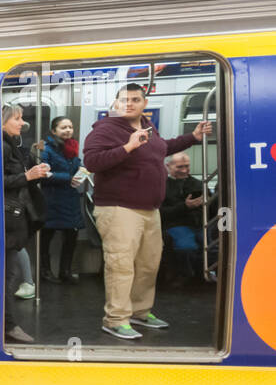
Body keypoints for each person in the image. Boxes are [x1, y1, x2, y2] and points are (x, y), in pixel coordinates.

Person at [84, 84, 212, 339]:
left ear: (144, 104)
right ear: (116, 104)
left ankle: (139, 312)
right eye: (124, 100)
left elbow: (163, 148)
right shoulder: (106, 129)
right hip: (119, 208)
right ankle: (115, 319)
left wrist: (192, 137)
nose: (129, 104)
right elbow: (92, 161)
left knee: (148, 265)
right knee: (121, 266)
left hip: (149, 209)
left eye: (135, 99)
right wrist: (127, 147)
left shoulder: (147, 128)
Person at [2, 105, 49, 343]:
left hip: (14, 219)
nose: (22, 123)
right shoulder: (0, 146)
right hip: (7, 220)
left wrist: (34, 170)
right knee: (7, 277)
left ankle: (6, 324)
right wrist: (27, 176)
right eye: (16, 119)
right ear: (2, 122)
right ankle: (6, 326)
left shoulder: (13, 145)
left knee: (9, 275)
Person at [39, 116, 84, 285]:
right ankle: (45, 271)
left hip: (70, 199)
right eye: (63, 127)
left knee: (71, 237)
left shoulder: (72, 147)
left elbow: (75, 166)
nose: (68, 130)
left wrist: (81, 171)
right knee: (46, 237)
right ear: (54, 131)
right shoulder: (46, 149)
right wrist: (68, 178)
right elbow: (42, 173)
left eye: (70, 127)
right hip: (52, 199)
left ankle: (65, 271)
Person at [160, 152, 208, 284]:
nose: (184, 170)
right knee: (187, 247)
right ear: (168, 166)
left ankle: (204, 276)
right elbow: (160, 212)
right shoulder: (162, 186)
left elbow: (210, 207)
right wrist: (185, 206)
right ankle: (186, 276)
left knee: (211, 245)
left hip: (198, 223)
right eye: (180, 167)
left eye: (187, 166)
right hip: (175, 224)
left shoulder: (198, 184)